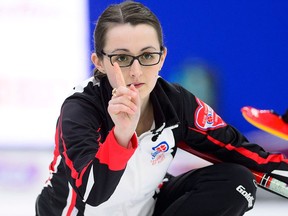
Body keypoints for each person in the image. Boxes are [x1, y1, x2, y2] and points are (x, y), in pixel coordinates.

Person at [35, 1, 288, 215]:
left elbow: (240, 151)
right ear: (99, 62)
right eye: (121, 58)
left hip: (145, 207)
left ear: (162, 57)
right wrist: (122, 135)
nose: (136, 72)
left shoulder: (174, 102)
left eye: (147, 56)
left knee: (237, 182)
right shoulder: (80, 109)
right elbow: (92, 192)